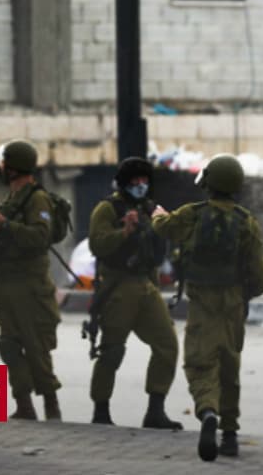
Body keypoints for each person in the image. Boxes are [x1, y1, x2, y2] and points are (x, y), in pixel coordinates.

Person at [152, 154, 263, 462]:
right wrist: (244, 293)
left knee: (200, 364)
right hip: (232, 303)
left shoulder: (192, 214)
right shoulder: (247, 222)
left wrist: (157, 215)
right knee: (229, 367)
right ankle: (230, 434)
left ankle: (208, 411)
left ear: (209, 183)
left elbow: (165, 227)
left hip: (202, 301)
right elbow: (260, 276)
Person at [86, 157, 181, 429]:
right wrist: (123, 231)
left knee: (167, 345)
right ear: (124, 183)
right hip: (118, 287)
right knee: (112, 351)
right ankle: (101, 410)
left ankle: (155, 410)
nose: (140, 186)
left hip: (146, 285)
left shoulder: (150, 209)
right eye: (134, 181)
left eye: (144, 180)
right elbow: (98, 244)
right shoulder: (107, 209)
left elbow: (158, 245)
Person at [0, 140, 62, 421]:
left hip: (30, 285)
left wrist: (3, 224)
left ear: (14, 168)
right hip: (7, 284)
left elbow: (39, 238)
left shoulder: (37, 199)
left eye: (4, 164)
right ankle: (23, 403)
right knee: (9, 345)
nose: (0, 169)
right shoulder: (12, 198)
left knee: (36, 347)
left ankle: (51, 404)